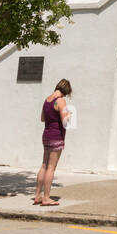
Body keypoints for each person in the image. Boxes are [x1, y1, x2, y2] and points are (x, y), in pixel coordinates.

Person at [33, 78, 72, 206]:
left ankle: (37, 196)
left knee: (44, 165)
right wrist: (69, 115)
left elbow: (42, 118)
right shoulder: (60, 100)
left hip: (46, 135)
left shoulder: (47, 99)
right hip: (56, 136)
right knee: (51, 167)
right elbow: (65, 122)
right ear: (65, 91)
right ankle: (46, 198)